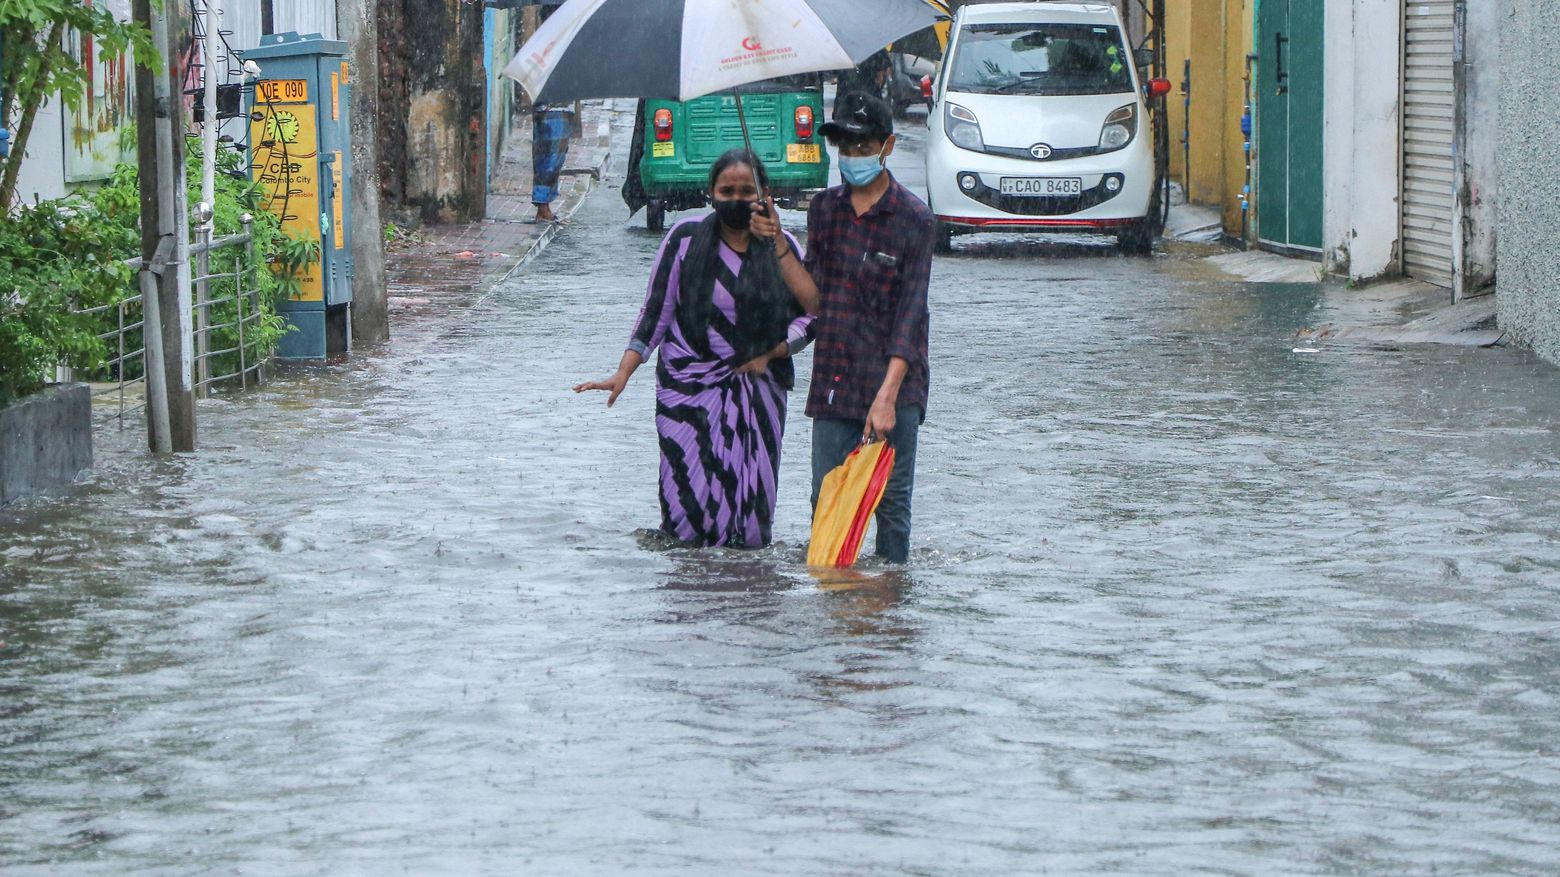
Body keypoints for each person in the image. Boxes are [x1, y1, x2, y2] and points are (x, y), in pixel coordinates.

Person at [574, 150, 820, 548]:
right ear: (711, 193)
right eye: (727, 191)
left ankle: (746, 593)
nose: (736, 199)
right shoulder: (684, 239)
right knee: (683, 509)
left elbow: (812, 315)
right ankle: (690, 589)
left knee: (752, 517)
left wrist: (773, 352)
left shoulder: (783, 248)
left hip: (758, 390)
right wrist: (622, 372)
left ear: (765, 194)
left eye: (746, 191)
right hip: (685, 392)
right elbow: (656, 310)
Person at [804, 92, 934, 564]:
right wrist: (775, 242)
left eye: (864, 147)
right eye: (846, 148)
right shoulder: (823, 211)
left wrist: (888, 397)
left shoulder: (914, 220)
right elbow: (812, 299)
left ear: (888, 147)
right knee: (828, 503)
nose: (854, 157)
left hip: (895, 388)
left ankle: (888, 614)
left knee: (891, 507)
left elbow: (911, 314)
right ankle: (835, 616)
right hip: (835, 382)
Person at [531, 98, 575, 223]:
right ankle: (543, 207)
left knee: (551, 157)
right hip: (553, 109)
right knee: (551, 158)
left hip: (555, 109)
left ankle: (544, 205)